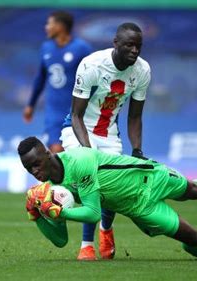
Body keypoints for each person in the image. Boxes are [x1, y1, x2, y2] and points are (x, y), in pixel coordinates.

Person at [18, 137, 197, 260]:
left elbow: (92, 213)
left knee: (193, 191)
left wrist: (61, 213)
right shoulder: (50, 192)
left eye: (37, 164)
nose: (35, 172)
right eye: (30, 169)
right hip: (137, 207)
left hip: (147, 177)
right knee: (192, 237)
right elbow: (60, 240)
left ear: (48, 154)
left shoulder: (79, 162)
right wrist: (38, 217)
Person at [60, 22, 151, 260]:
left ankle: (106, 229)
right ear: (116, 43)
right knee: (91, 180)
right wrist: (88, 153)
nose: (135, 50)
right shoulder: (92, 65)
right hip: (77, 129)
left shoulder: (142, 71)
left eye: (138, 46)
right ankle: (86, 246)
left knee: (113, 188)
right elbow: (76, 115)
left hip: (109, 133)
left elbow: (135, 116)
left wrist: (137, 150)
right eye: (129, 45)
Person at [23, 10, 92, 153]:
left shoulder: (82, 48)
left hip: (76, 109)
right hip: (53, 110)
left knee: (73, 152)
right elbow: (40, 78)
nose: (46, 27)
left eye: (50, 23)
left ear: (60, 26)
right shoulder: (46, 48)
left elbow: (93, 78)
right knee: (55, 150)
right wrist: (31, 104)